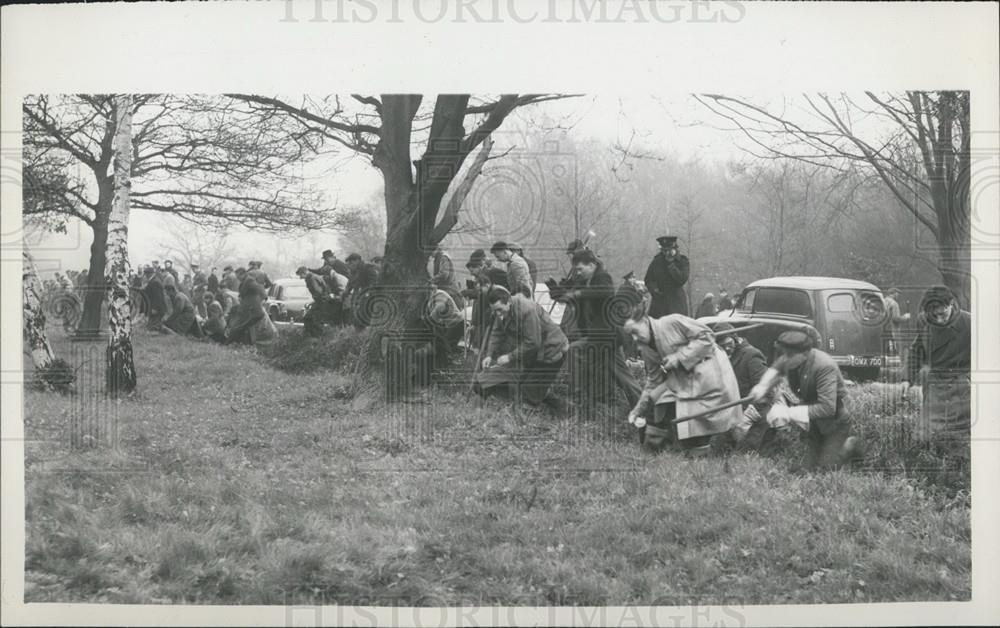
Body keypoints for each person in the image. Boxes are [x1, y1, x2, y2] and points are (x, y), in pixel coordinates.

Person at [624, 310, 741, 456]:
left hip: (709, 371)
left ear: (645, 321)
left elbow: (707, 336)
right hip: (681, 380)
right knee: (658, 403)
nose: (635, 338)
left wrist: (679, 357)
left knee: (699, 419)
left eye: (635, 331)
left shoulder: (672, 322)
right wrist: (638, 409)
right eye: (631, 335)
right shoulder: (646, 349)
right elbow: (654, 381)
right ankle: (653, 451)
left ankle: (705, 456)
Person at [749, 330, 862, 470]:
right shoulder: (792, 358)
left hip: (835, 420)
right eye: (784, 354)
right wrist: (762, 386)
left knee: (825, 469)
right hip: (812, 419)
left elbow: (827, 408)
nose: (785, 358)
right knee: (807, 469)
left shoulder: (824, 366)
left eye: (789, 355)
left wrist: (788, 413)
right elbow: (776, 369)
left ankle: (851, 445)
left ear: (806, 353)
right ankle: (822, 449)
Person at [560, 249, 642, 408]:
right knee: (620, 374)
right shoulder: (586, 281)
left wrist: (576, 293)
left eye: (580, 269)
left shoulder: (602, 278)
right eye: (576, 269)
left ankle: (578, 396)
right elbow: (574, 294)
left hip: (606, 336)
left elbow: (604, 292)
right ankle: (640, 407)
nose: (577, 272)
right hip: (599, 336)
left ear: (592, 265)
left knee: (575, 351)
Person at [902, 285, 971, 452]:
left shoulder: (969, 323)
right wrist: (907, 378)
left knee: (957, 438)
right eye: (934, 315)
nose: (939, 319)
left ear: (952, 304)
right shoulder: (924, 321)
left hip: (961, 386)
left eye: (943, 314)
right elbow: (917, 350)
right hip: (934, 386)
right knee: (925, 436)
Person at [474, 286, 569, 405]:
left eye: (499, 310)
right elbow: (496, 333)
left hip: (552, 351)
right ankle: (539, 395)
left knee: (528, 394)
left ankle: (563, 408)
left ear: (508, 302)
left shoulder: (527, 310)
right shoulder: (503, 311)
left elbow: (533, 342)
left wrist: (509, 357)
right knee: (513, 386)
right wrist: (489, 355)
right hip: (534, 352)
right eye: (494, 311)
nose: (497, 314)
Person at [713, 323, 770, 444]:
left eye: (729, 344)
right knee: (717, 445)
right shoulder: (722, 357)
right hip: (732, 408)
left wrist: (749, 416)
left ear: (736, 338)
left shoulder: (751, 355)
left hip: (754, 409)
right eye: (722, 346)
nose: (727, 349)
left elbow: (766, 390)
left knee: (744, 449)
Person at [462, 249, 509, 353]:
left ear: (479, 266)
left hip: (490, 308)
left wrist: (469, 293)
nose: (472, 274)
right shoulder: (484, 274)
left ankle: (484, 354)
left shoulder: (488, 273)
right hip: (487, 309)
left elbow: (482, 297)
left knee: (487, 334)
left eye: (473, 271)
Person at [643, 235, 690, 317]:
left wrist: (671, 265)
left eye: (668, 250)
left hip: (676, 304)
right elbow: (648, 280)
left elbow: (682, 279)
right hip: (659, 305)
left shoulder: (682, 261)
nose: (666, 253)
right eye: (664, 250)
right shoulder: (656, 261)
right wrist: (655, 291)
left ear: (675, 248)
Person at [298, 265, 336, 337]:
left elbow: (318, 292)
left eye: (301, 275)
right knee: (308, 318)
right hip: (321, 301)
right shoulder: (311, 277)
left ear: (305, 273)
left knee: (316, 319)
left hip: (323, 302)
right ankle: (310, 336)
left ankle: (318, 337)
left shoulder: (312, 279)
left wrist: (316, 303)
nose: (300, 277)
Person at [344, 253, 379, 329]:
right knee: (354, 302)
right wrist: (345, 293)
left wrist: (367, 293)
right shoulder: (356, 270)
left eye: (352, 262)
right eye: (350, 263)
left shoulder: (367, 267)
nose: (351, 265)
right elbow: (351, 282)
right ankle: (355, 327)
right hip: (362, 292)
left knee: (363, 307)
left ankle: (363, 328)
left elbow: (374, 282)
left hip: (372, 293)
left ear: (357, 260)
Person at [883, 287, 911, 356]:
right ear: (893, 294)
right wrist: (905, 317)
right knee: (897, 349)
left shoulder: (883, 301)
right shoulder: (894, 304)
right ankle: (897, 364)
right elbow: (896, 318)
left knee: (886, 350)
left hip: (883, 329)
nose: (898, 295)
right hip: (893, 330)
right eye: (897, 293)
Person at [141, 266, 167, 332]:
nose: (145, 276)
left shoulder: (155, 282)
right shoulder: (153, 281)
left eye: (146, 274)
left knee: (152, 328)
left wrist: (155, 308)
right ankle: (161, 326)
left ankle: (166, 329)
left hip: (157, 309)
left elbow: (158, 297)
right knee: (150, 326)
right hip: (155, 309)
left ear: (149, 274)